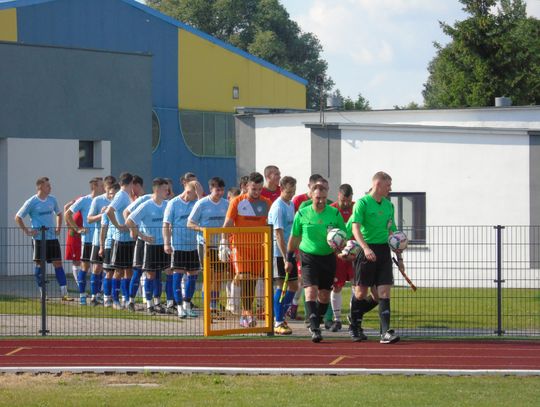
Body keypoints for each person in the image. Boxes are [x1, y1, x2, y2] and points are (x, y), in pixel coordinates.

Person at [285, 179, 346, 343]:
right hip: (308, 257)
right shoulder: (302, 213)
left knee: (324, 295)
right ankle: (315, 328)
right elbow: (294, 237)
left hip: (328, 257)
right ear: (311, 195)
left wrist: (343, 248)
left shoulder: (334, 213)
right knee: (310, 291)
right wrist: (289, 258)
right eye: (318, 198)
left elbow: (344, 235)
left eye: (324, 198)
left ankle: (316, 321)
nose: (321, 201)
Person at [348, 171, 400, 344]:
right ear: (378, 184)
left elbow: (392, 231)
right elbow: (355, 229)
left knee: (383, 293)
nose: (390, 189)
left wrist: (399, 256)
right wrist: (365, 248)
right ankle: (355, 324)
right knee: (361, 292)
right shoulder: (362, 203)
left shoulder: (388, 205)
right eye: (388, 185)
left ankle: (385, 332)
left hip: (383, 250)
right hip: (366, 249)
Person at [223, 172, 272, 328]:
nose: (256, 192)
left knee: (252, 280)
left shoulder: (267, 203)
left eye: (259, 189)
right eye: (253, 189)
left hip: (259, 247)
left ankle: (246, 312)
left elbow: (269, 224)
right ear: (246, 186)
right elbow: (228, 222)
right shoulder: (237, 202)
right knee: (243, 276)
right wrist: (223, 242)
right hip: (240, 246)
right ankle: (246, 312)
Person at [14, 177, 72, 301]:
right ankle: (43, 293)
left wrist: (58, 228)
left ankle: (64, 293)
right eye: (47, 186)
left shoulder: (52, 200)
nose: (50, 188)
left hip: (51, 237)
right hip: (39, 239)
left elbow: (59, 214)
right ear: (40, 187)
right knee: (40, 264)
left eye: (50, 185)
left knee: (58, 263)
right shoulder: (31, 202)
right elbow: (18, 217)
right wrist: (27, 231)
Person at [126, 178, 171, 315]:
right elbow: (129, 220)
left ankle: (158, 302)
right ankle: (141, 303)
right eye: (165, 189)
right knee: (146, 273)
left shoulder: (168, 205)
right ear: (156, 190)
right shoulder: (146, 204)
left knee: (162, 273)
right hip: (147, 245)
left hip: (162, 245)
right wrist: (142, 235)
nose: (167, 191)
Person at [187, 177, 229, 319]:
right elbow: (190, 223)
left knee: (218, 278)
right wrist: (202, 229)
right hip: (205, 245)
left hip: (221, 245)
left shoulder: (226, 204)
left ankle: (214, 306)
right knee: (208, 277)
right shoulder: (202, 203)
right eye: (217, 190)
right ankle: (208, 307)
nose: (220, 193)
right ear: (211, 189)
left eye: (222, 190)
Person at [163, 180, 201, 318]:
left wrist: (200, 195)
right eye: (195, 193)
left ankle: (187, 304)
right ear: (188, 191)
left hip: (193, 246)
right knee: (177, 276)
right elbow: (166, 224)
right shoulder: (173, 203)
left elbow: (202, 206)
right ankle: (178, 307)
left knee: (192, 276)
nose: (197, 197)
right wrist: (167, 243)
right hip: (178, 247)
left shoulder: (196, 203)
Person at [65, 177, 105, 305]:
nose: (103, 188)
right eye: (101, 185)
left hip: (99, 240)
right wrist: (77, 229)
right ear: (94, 186)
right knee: (85, 266)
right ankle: (82, 296)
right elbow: (67, 213)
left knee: (98, 268)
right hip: (88, 240)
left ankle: (96, 295)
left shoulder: (103, 200)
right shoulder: (84, 200)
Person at [267, 176, 297, 335]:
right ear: (281, 189)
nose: (291, 194)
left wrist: (293, 252)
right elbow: (278, 234)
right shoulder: (278, 207)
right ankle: (277, 321)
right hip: (278, 253)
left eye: (293, 191)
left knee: (293, 286)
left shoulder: (290, 204)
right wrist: (285, 258)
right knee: (281, 285)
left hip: (288, 250)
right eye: (288, 191)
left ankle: (279, 315)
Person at [327, 183, 355, 331]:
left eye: (348, 201)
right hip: (337, 255)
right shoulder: (331, 209)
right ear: (338, 196)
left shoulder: (356, 208)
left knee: (357, 286)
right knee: (336, 286)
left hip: (354, 255)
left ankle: (353, 318)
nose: (346, 204)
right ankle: (337, 320)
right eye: (343, 200)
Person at [106, 172, 135, 309]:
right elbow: (109, 211)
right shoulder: (121, 195)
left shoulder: (127, 196)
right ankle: (115, 300)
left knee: (128, 270)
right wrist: (118, 225)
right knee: (118, 270)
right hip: (120, 240)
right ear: (130, 183)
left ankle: (126, 298)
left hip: (128, 239)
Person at [87, 175, 117, 305]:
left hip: (112, 240)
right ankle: (94, 296)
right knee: (97, 268)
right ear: (105, 188)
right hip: (98, 239)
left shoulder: (117, 201)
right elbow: (89, 219)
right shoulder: (98, 201)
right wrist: (103, 214)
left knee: (109, 269)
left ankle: (106, 295)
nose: (111, 194)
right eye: (109, 190)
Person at [99, 182, 120, 307]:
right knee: (109, 272)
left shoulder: (121, 208)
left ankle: (116, 297)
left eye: (114, 194)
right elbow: (103, 229)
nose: (112, 196)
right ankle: (107, 298)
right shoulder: (106, 210)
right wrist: (101, 246)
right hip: (109, 244)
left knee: (119, 271)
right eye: (110, 194)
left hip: (119, 243)